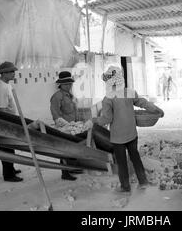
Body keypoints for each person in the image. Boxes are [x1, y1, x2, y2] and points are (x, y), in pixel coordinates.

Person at [93, 66, 164, 194]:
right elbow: (143, 103)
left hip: (118, 137)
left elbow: (107, 119)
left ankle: (125, 187)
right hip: (131, 133)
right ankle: (143, 181)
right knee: (135, 157)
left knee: (122, 162)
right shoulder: (129, 92)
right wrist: (156, 109)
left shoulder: (108, 99)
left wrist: (95, 120)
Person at [50, 71, 84, 181]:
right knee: (64, 150)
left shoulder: (69, 95)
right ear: (61, 84)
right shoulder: (57, 97)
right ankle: (65, 173)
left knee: (73, 149)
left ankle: (72, 168)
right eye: (66, 84)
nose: (69, 86)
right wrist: (65, 127)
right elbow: (56, 115)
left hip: (73, 127)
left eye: (70, 84)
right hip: (65, 128)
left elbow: (74, 110)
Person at [0, 61, 23, 182]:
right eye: (11, 72)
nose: (13, 73)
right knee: (6, 147)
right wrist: (9, 125)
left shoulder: (7, 85)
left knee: (10, 147)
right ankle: (8, 174)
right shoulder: (1, 87)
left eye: (14, 71)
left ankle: (11, 168)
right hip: (5, 121)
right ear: (4, 73)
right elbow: (2, 109)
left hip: (11, 120)